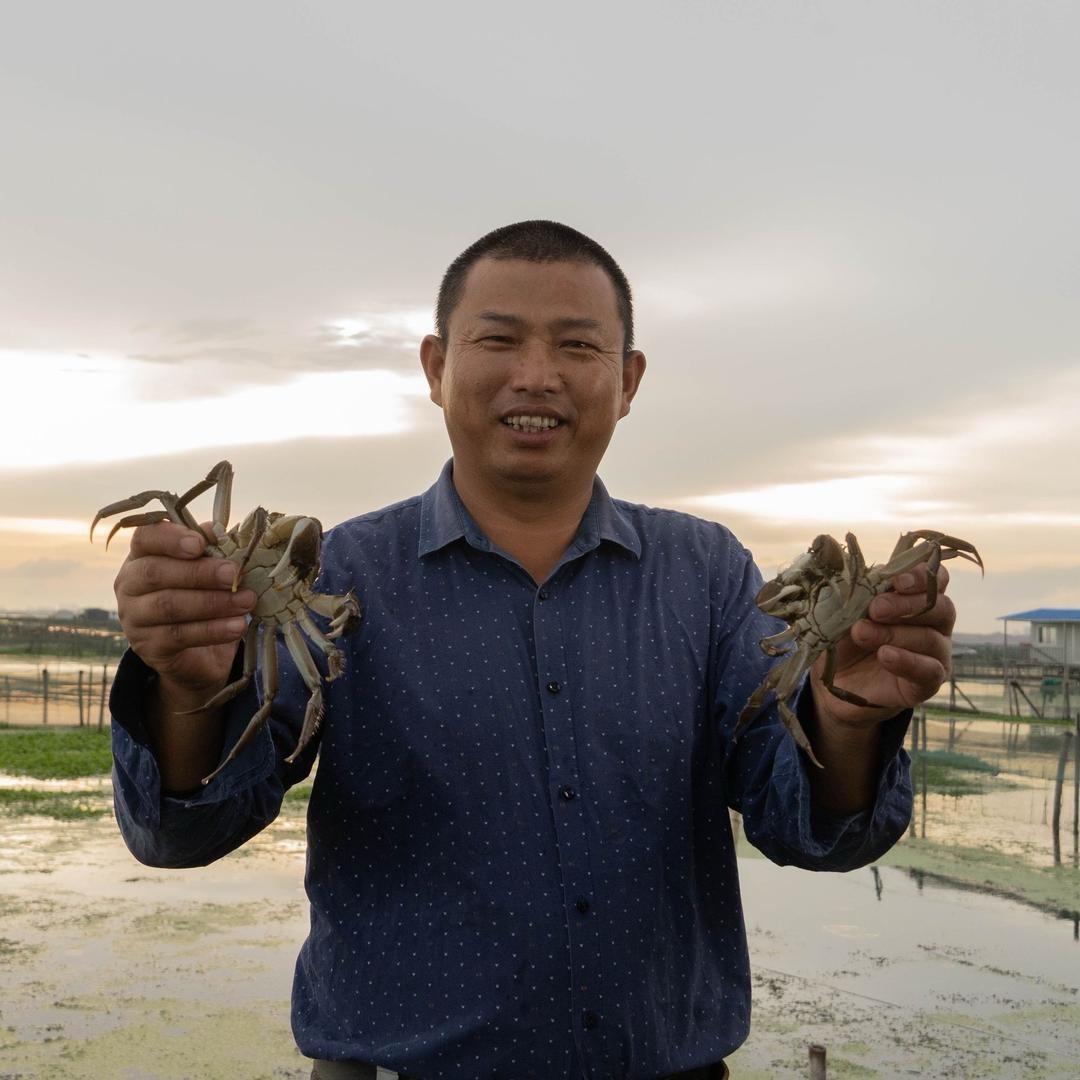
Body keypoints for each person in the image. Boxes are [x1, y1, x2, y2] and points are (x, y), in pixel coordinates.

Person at [109, 221, 952, 1080]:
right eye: (500, 339)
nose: (537, 374)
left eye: (577, 345)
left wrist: (847, 713)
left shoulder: (706, 577)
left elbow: (813, 831)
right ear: (437, 368)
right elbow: (183, 833)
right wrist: (185, 685)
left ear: (628, 381)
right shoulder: (338, 576)